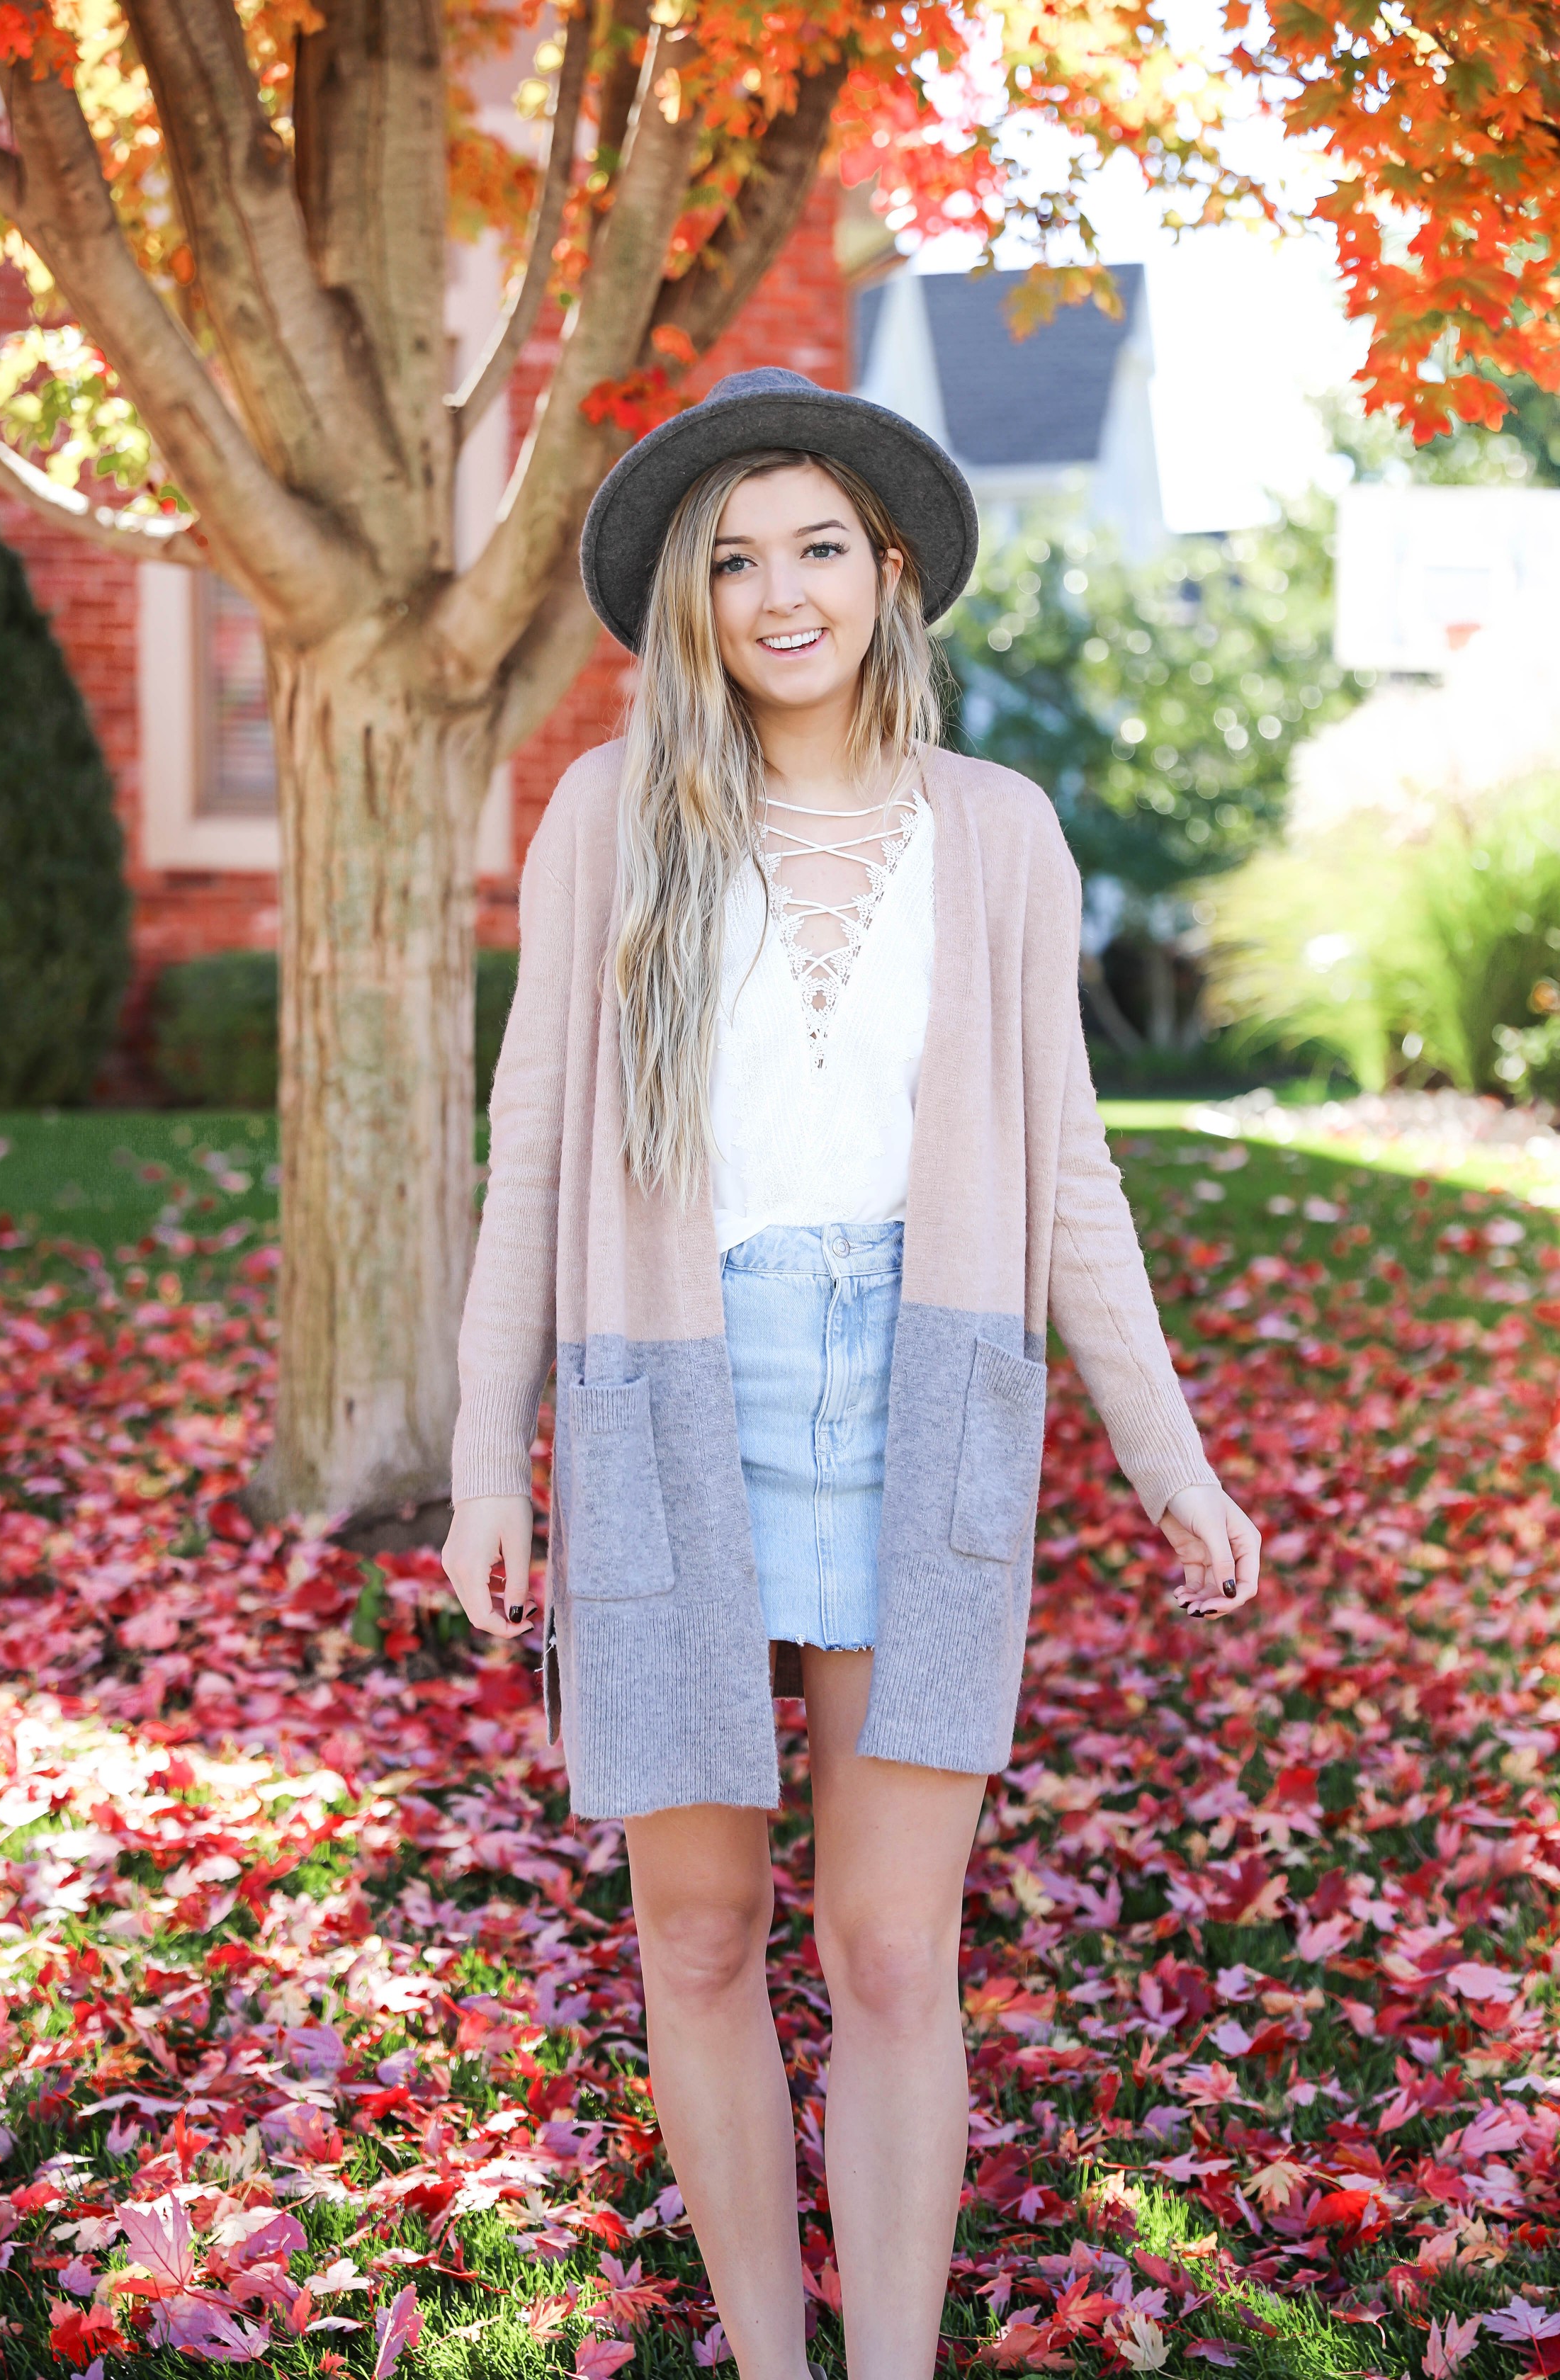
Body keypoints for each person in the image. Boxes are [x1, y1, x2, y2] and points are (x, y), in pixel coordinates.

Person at [442, 368, 1260, 2380]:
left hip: (931, 1401)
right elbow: (531, 1144)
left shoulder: (998, 835)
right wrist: (484, 1465)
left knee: (893, 1949)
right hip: (669, 1407)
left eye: (817, 548)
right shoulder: (609, 817)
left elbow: (1067, 1170)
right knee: (700, 1934)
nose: (779, 593)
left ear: (888, 576)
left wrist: (1171, 1459)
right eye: (736, 560)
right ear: (694, 604)